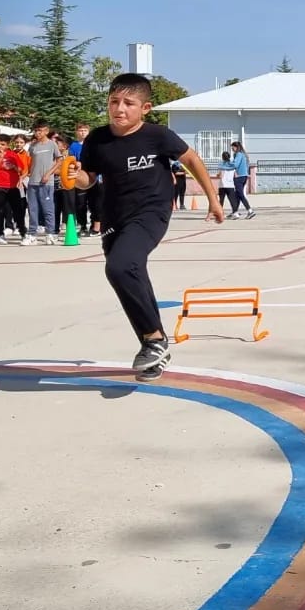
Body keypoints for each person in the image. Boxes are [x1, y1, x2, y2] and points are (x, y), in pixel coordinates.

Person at [73, 73, 224, 381]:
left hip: (151, 212)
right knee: (131, 275)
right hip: (114, 217)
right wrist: (76, 178)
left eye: (129, 103)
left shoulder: (157, 136)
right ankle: (154, 349)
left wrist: (213, 199)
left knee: (120, 267)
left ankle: (153, 339)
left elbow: (192, 160)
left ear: (145, 108)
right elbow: (89, 178)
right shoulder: (97, 139)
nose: (119, 109)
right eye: (114, 101)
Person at [23, 121, 60, 245]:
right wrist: (24, 175)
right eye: (36, 131)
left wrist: (49, 174)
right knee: (32, 209)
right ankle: (32, 234)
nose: (38, 133)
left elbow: (59, 161)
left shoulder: (52, 144)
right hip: (33, 182)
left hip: (46, 182)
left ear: (46, 131)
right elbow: (29, 163)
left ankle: (50, 234)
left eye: (40, 130)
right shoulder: (33, 146)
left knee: (48, 209)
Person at [70, 124, 94, 235]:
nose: (83, 132)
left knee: (94, 202)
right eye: (80, 130)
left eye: (85, 130)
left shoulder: (94, 144)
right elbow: (71, 160)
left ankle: (95, 225)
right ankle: (82, 225)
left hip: (93, 176)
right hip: (80, 177)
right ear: (76, 132)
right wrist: (76, 163)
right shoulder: (74, 146)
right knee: (81, 203)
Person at [229, 141, 255, 219]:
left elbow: (235, 164)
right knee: (237, 195)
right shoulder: (244, 155)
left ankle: (250, 210)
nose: (232, 149)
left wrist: (227, 164)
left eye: (233, 148)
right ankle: (235, 212)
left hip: (239, 177)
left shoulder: (239, 154)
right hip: (244, 176)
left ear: (236, 147)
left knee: (240, 194)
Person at [217, 151, 239, 216]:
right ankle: (235, 213)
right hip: (230, 185)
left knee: (221, 200)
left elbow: (220, 176)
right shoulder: (232, 165)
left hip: (222, 185)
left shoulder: (221, 165)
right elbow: (236, 175)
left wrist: (217, 175)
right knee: (232, 200)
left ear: (222, 157)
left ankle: (220, 214)